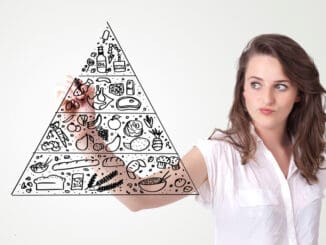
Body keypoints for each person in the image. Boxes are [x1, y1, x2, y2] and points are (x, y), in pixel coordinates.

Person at [57, 34, 326, 245]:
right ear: (242, 90)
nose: (266, 99)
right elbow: (137, 196)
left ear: (299, 93)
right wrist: (86, 134)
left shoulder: (315, 155)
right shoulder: (218, 154)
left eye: (280, 86)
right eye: (256, 84)